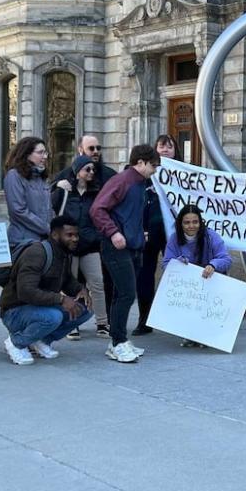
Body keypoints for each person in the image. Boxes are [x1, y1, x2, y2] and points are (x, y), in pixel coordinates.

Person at [90, 144, 162, 363]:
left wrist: (139, 235)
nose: (155, 170)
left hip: (132, 246)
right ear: (140, 162)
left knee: (123, 294)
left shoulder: (138, 183)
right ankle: (118, 342)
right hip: (117, 247)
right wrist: (113, 233)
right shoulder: (123, 181)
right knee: (127, 294)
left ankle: (118, 340)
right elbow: (97, 209)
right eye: (153, 165)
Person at [0, 217, 93, 366]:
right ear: (55, 235)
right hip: (14, 311)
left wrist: (81, 290)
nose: (75, 239)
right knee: (53, 317)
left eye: (76, 235)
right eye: (69, 235)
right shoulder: (37, 253)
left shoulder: (64, 253)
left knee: (85, 308)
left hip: (39, 307)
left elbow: (67, 281)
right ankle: (16, 342)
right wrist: (61, 299)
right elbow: (26, 291)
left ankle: (42, 340)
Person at [52, 155, 109, 340]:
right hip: (68, 246)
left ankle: (102, 322)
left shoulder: (96, 192)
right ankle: (72, 323)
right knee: (70, 284)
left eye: (93, 169)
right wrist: (55, 187)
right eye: (87, 169)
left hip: (89, 245)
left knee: (97, 282)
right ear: (77, 172)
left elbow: (101, 214)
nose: (91, 173)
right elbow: (50, 208)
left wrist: (96, 236)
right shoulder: (65, 191)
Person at [162, 203, 234, 346]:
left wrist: (213, 264)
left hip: (210, 281)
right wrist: (177, 263)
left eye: (195, 222)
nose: (191, 226)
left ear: (200, 223)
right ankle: (190, 333)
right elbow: (165, 264)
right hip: (189, 286)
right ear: (180, 224)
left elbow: (226, 259)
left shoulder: (211, 236)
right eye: (187, 222)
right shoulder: (174, 239)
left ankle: (206, 334)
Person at [134, 134, 179, 336]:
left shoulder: (183, 174)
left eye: (169, 146)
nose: (165, 150)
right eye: (161, 146)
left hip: (175, 234)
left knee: (179, 274)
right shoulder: (145, 174)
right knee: (144, 276)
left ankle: (180, 319)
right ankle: (145, 319)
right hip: (148, 233)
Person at [3, 136, 52, 247]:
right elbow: (18, 211)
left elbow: (48, 208)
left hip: (43, 241)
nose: (45, 156)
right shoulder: (14, 176)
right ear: (27, 154)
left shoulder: (41, 178)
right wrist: (46, 228)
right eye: (40, 153)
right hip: (22, 242)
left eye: (45, 153)